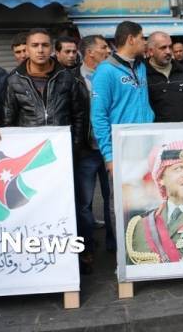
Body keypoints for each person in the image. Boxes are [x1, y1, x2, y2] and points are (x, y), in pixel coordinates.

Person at [91, 21, 154, 173]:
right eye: (142, 38)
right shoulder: (105, 71)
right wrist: (109, 156)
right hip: (122, 149)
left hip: (147, 145)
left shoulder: (141, 66)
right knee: (125, 189)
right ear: (131, 39)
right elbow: (98, 116)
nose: (145, 42)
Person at [75, 34, 114, 258]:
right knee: (85, 202)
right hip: (86, 150)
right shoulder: (74, 78)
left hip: (110, 148)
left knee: (112, 199)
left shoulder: (112, 73)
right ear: (90, 52)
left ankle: (114, 244)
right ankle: (87, 248)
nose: (108, 51)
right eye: (103, 47)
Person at [147, 31, 183, 122]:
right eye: (163, 47)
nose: (168, 51)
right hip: (158, 129)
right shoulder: (143, 74)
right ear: (151, 51)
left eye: (170, 47)